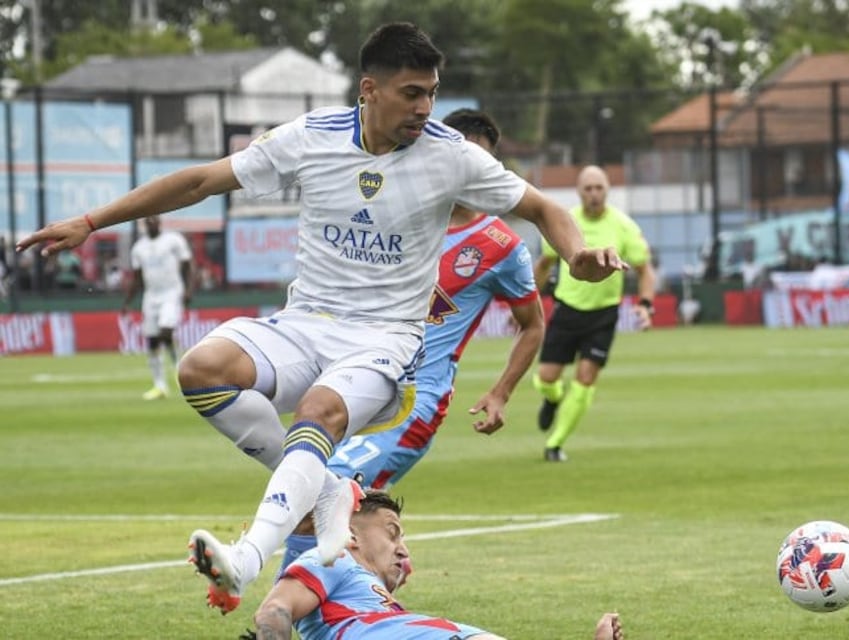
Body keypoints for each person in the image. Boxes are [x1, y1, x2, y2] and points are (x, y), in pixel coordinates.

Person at [15, 23, 625, 615]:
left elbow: (543, 207)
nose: (425, 107)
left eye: (432, 93)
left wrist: (577, 257)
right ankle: (329, 492)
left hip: (387, 340)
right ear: (369, 89)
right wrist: (92, 221)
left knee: (319, 413)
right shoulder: (312, 136)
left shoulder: (451, 155)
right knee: (200, 368)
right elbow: (201, 181)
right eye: (412, 93)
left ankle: (249, 557)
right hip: (305, 323)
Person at [277, 108, 545, 575]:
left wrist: (501, 392)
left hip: (415, 402)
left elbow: (533, 323)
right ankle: (341, 600)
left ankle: (283, 612)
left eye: (479, 162)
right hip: (360, 383)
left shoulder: (500, 245)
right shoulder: (400, 217)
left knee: (330, 487)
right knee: (317, 489)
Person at [245, 490, 625, 640]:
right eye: (392, 533)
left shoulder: (370, 604)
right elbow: (275, 609)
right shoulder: (332, 556)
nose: (403, 550)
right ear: (352, 535)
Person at [533, 165, 656, 462]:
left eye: (599, 188)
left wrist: (645, 304)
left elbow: (644, 271)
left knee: (586, 378)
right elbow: (545, 264)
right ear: (579, 192)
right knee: (546, 378)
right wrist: (528, 302)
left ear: (607, 191)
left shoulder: (624, 227)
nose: (594, 194)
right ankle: (553, 397)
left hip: (603, 315)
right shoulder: (566, 221)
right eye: (588, 189)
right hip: (567, 310)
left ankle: (555, 444)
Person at [121, 215, 194, 400]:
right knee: (152, 341)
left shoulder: (173, 240)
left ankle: (181, 373)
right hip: (151, 296)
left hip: (171, 292)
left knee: (166, 331)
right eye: (148, 220)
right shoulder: (139, 248)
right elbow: (137, 278)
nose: (152, 222)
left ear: (160, 221)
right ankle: (159, 386)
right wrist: (128, 302)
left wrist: (188, 290)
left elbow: (188, 266)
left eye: (155, 219)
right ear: (145, 224)